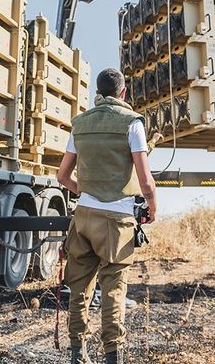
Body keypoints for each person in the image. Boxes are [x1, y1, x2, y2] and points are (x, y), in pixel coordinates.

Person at [57, 68, 159, 364]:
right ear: (124, 93)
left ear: (97, 95)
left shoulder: (80, 124)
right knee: (113, 288)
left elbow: (63, 176)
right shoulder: (132, 123)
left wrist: (85, 191)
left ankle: (78, 353)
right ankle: (112, 356)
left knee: (78, 287)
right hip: (117, 221)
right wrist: (152, 205)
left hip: (84, 217)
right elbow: (145, 179)